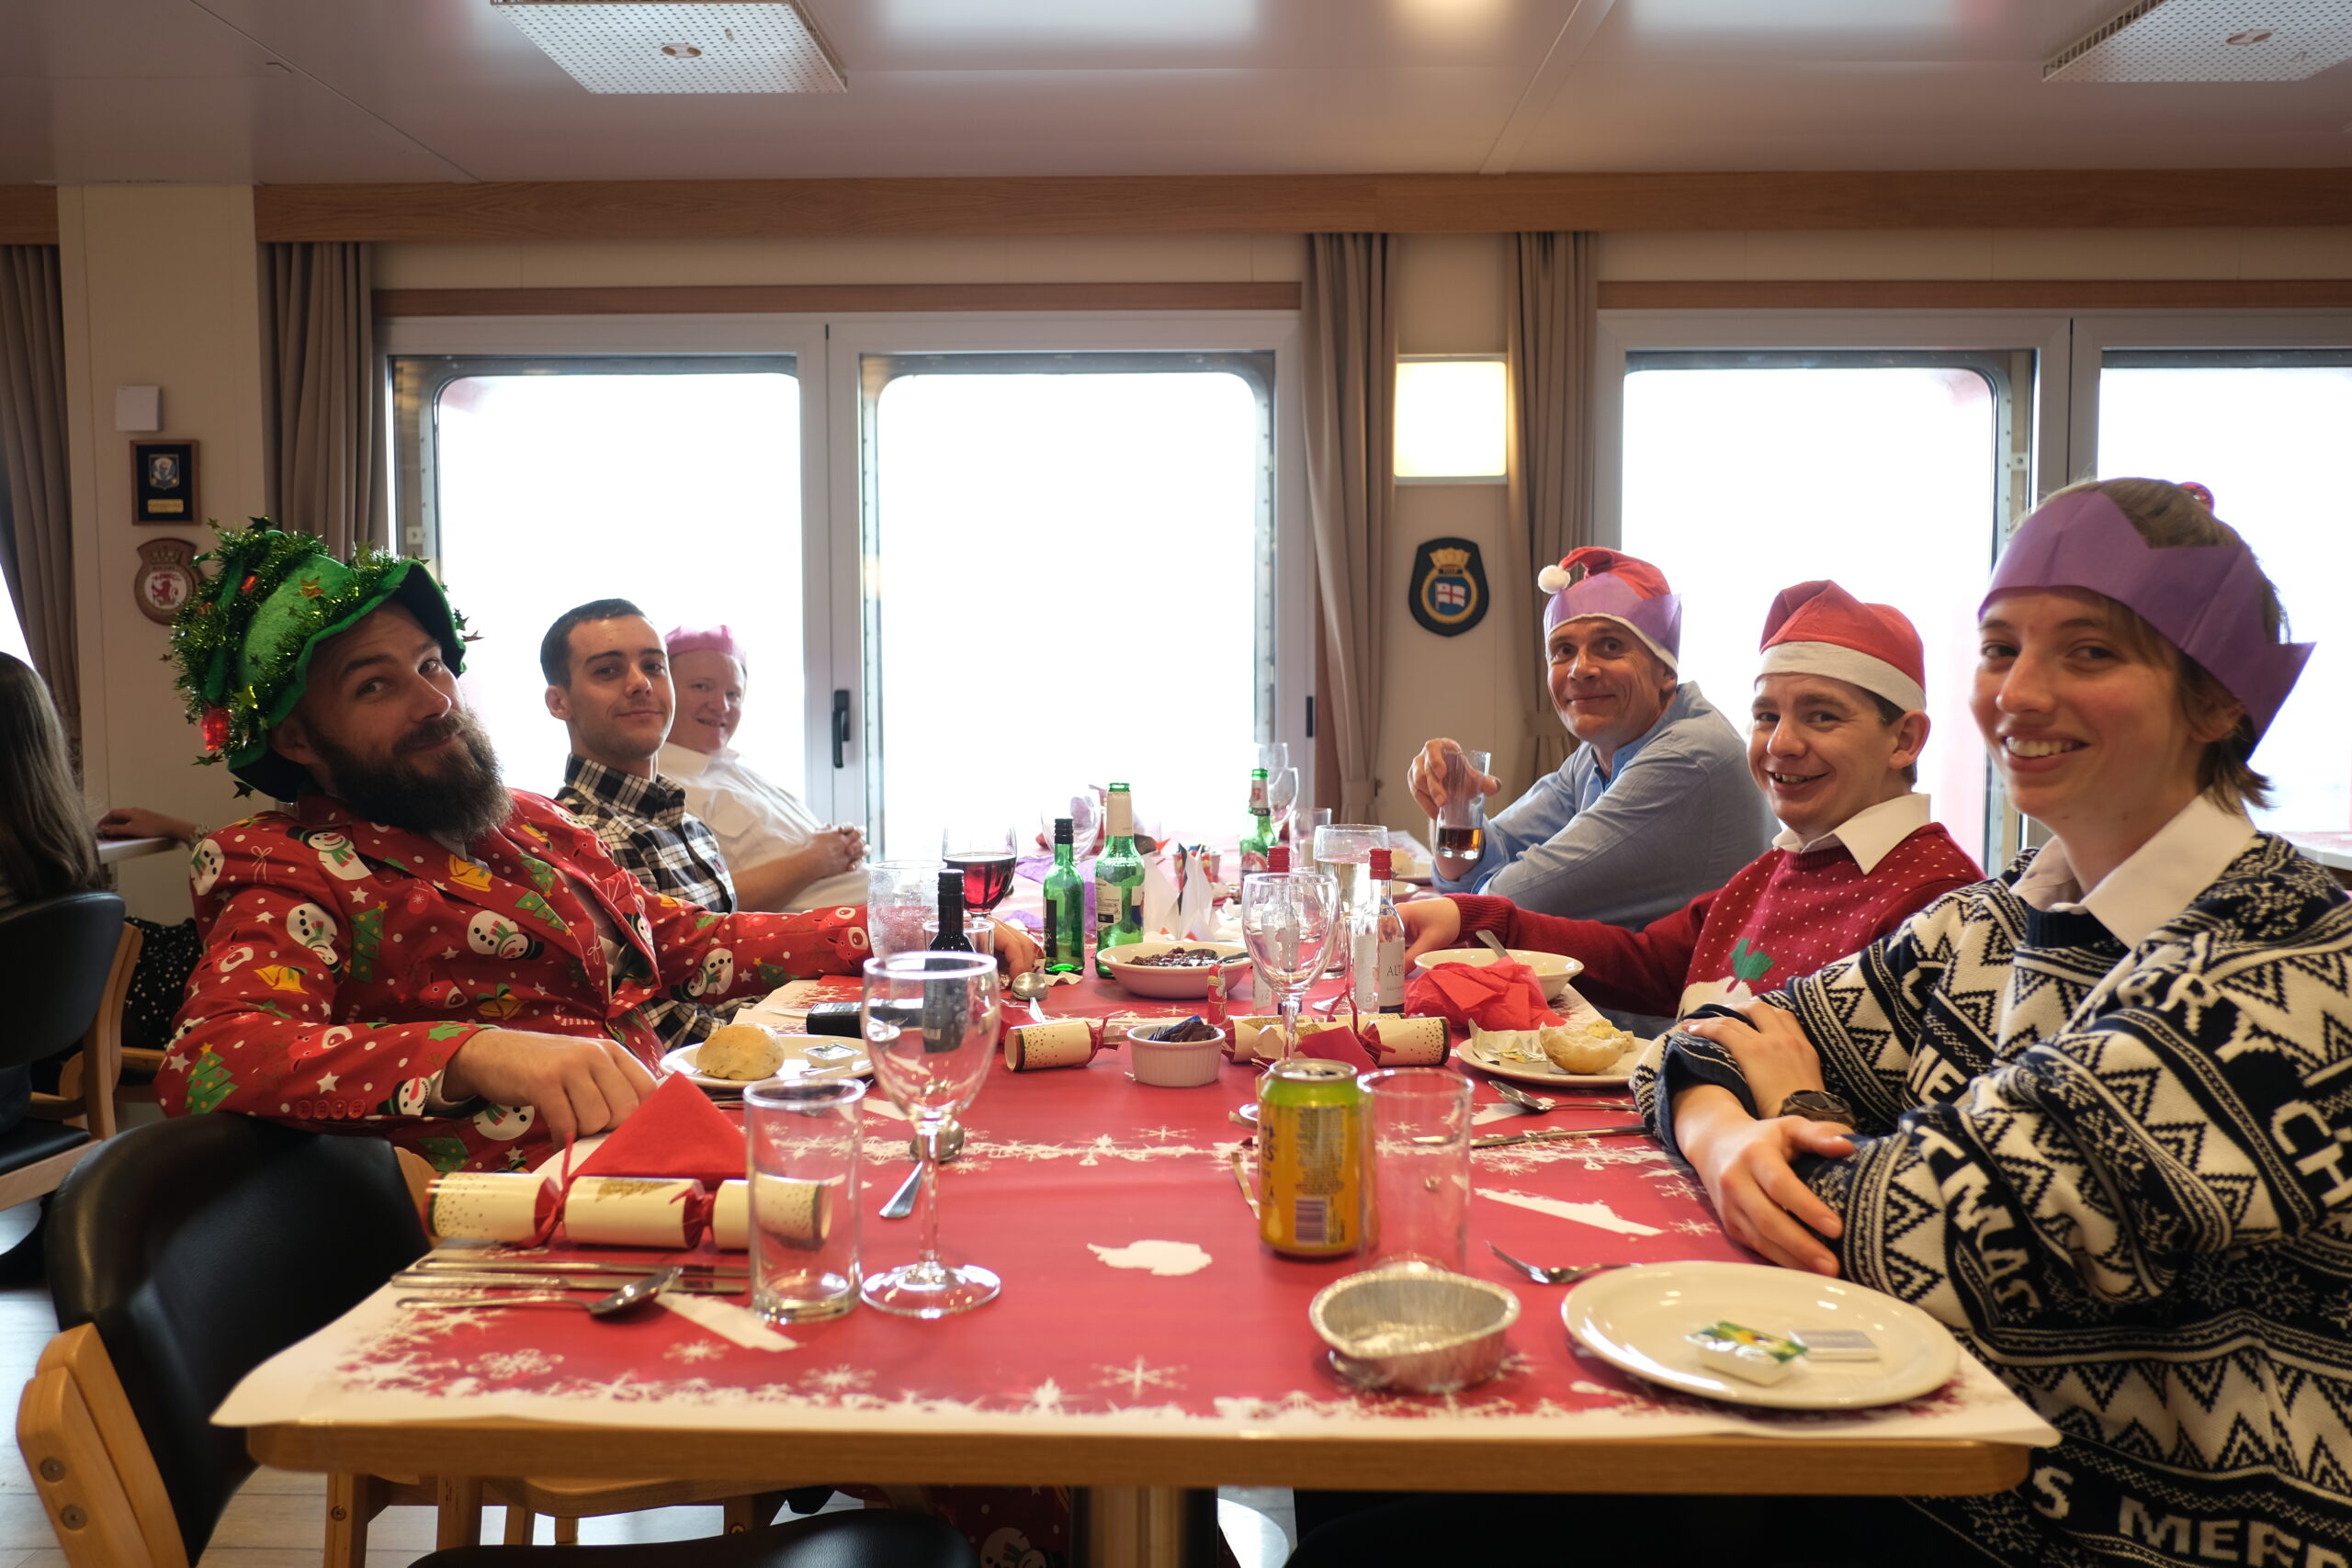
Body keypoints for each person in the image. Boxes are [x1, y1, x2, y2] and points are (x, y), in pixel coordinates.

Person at [1295, 480, 2350, 1565]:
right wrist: (1725, 1126)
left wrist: (1789, 1099)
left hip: (2057, 1525)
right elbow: (1697, 1046)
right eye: (2000, 649)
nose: (2021, 693)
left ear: (2217, 702)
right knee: (1352, 1436)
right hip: (1878, 1438)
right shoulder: (1995, 920)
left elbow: (1926, 1238)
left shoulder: (2284, 966)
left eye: (2088, 653)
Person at [161, 526, 893, 1174]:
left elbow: (677, 941)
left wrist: (887, 929)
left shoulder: (532, 823)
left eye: (430, 665)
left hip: (667, 1140)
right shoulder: (288, 864)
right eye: (376, 685)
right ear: (296, 738)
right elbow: (211, 1057)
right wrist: (473, 1052)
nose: (435, 701)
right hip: (515, 1210)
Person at [1398, 581, 1981, 1020]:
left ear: (1904, 740)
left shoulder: (1938, 903)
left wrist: (1482, 908)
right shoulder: (1780, 867)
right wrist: (1470, 898)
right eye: (1766, 716)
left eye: (1822, 716)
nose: (1781, 744)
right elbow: (1650, 962)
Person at [1409, 547, 1772, 927]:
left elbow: (1507, 902)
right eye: (1564, 651)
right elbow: (1468, 876)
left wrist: (1474, 882)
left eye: (1611, 646)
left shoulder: (1689, 757)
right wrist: (1457, 808)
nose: (1580, 670)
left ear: (1666, 672)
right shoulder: (1595, 755)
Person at [542, 599, 748, 1050]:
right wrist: (786, 1044)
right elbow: (652, 1025)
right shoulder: (576, 838)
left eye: (654, 666)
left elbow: (736, 974)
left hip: (750, 1049)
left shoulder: (690, 825)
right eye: (608, 671)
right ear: (559, 702)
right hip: (700, 1077)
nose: (641, 684)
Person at [658, 624, 866, 911]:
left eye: (733, 694)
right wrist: (814, 860)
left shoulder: (742, 772)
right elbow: (700, 906)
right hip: (837, 930)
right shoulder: (665, 788)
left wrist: (845, 847)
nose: (721, 705)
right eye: (701, 686)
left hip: (878, 908)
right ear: (663, 691)